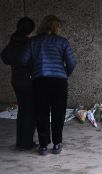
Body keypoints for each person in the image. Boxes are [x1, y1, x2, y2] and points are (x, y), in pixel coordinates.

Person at [21, 15, 76, 155]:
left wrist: (34, 68)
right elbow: (71, 63)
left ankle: (43, 146)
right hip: (59, 82)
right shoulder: (62, 42)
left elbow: (23, 60)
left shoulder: (33, 42)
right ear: (56, 27)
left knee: (41, 113)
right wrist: (65, 73)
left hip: (40, 81)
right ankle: (57, 144)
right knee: (58, 113)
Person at [1, 17, 37, 150]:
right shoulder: (29, 42)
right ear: (31, 30)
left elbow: (5, 58)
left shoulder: (13, 40)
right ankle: (26, 143)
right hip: (28, 80)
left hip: (15, 80)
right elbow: (32, 61)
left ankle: (20, 142)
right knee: (30, 112)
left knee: (22, 111)